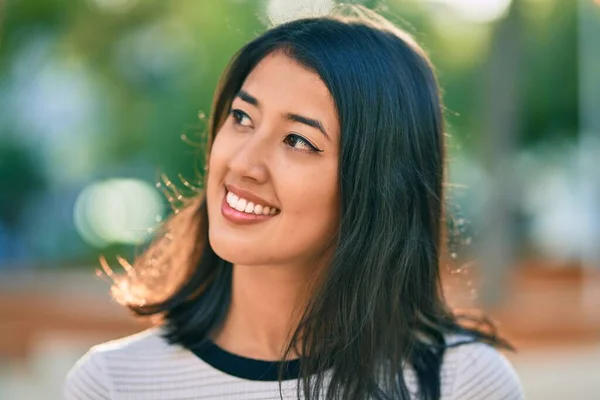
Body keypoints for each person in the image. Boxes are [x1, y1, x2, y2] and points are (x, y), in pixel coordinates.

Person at [64, 5, 523, 400]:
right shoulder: (114, 384)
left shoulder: (461, 383)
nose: (244, 163)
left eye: (298, 140)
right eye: (242, 117)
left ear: (377, 185)